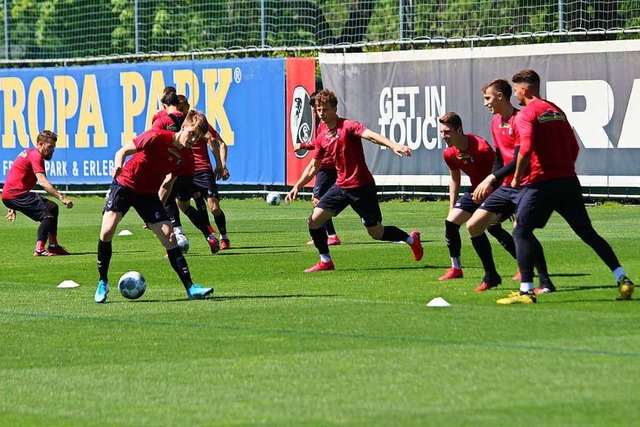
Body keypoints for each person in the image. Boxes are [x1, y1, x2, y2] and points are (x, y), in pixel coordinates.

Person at [496, 69, 634, 304]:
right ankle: (622, 278)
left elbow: (526, 149)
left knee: (521, 231)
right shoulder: (555, 110)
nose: (516, 95)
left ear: (525, 89)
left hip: (541, 183)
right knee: (588, 234)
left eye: (517, 89)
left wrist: (518, 177)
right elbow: (574, 147)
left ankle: (527, 291)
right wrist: (563, 169)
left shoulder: (528, 113)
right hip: (568, 181)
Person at [285, 89, 423, 272]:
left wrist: (393, 145)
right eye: (319, 110)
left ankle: (411, 239)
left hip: (362, 187)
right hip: (341, 187)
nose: (322, 114)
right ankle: (325, 261)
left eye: (325, 109)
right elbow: (313, 166)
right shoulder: (322, 137)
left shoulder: (348, 126)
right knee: (314, 221)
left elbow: (371, 136)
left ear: (334, 108)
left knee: (376, 232)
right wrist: (297, 186)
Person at [94, 110, 214, 303]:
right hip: (125, 184)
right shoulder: (156, 137)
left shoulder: (186, 159)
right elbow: (122, 151)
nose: (193, 139)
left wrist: (157, 213)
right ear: (183, 126)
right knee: (107, 231)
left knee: (170, 236)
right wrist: (118, 165)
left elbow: (168, 184)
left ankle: (191, 288)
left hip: (148, 194)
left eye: (198, 137)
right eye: (192, 133)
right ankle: (103, 281)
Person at [468, 79, 554, 293]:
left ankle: (545, 282)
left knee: (522, 231)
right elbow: (500, 158)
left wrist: (491, 179)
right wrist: (491, 182)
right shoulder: (495, 122)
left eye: (487, 98)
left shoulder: (520, 119)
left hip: (526, 185)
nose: (485, 103)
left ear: (499, 96)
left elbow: (517, 160)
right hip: (507, 186)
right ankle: (491, 276)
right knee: (473, 226)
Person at [437, 112, 515, 284]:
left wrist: (506, 200)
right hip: (474, 191)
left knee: (494, 228)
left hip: (494, 190)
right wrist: (452, 206)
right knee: (451, 222)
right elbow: (455, 179)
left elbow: (500, 172)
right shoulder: (449, 153)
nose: (444, 136)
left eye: (447, 132)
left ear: (459, 130)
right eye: (441, 132)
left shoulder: (481, 147)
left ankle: (523, 267)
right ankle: (456, 268)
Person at [154, 93, 221, 254]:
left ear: (164, 104)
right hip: (189, 167)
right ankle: (209, 235)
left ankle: (176, 239)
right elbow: (210, 138)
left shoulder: (163, 119)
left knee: (167, 200)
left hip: (174, 165)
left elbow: (155, 139)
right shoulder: (189, 119)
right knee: (184, 204)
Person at [2, 130, 74, 256]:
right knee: (47, 217)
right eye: (50, 146)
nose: (52, 150)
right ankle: (39, 249)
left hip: (13, 195)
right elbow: (43, 182)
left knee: (52, 208)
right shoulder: (36, 156)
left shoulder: (30, 153)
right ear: (40, 144)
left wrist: (11, 205)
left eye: (53, 147)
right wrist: (62, 198)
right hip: (17, 194)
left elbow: (15, 176)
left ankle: (53, 246)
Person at [293, 90, 341, 246]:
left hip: (326, 167)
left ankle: (331, 236)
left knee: (317, 201)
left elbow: (319, 142)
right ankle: (331, 235)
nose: (316, 111)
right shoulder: (324, 122)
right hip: (327, 166)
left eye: (318, 107)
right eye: (315, 109)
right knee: (319, 201)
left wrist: (303, 145)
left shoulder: (328, 123)